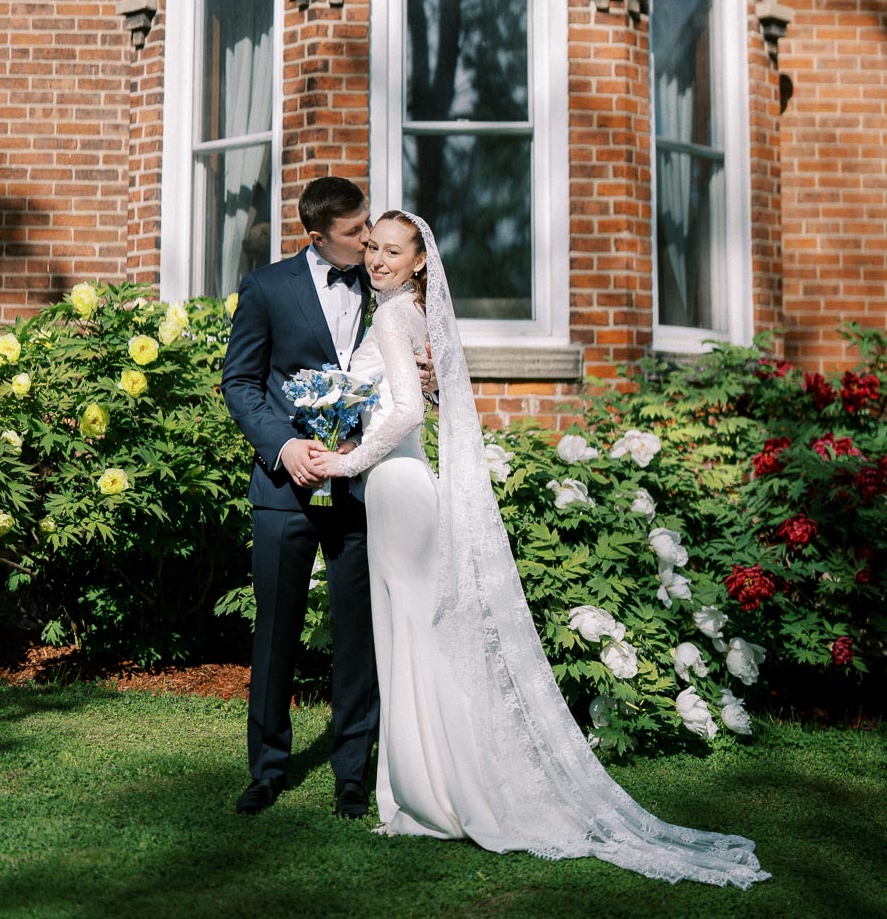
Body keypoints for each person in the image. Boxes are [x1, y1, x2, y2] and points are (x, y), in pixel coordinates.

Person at [308, 210, 771, 887]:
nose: (377, 258)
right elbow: (411, 399)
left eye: (392, 251)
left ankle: (433, 796)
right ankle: (429, 784)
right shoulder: (408, 314)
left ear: (419, 262)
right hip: (403, 485)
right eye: (372, 246)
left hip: (396, 488)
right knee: (416, 639)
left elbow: (405, 413)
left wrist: (342, 462)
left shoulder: (391, 318)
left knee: (411, 639)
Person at [221, 176, 379, 819]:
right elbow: (240, 382)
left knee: (358, 634)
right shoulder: (266, 288)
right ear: (317, 237)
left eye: (367, 223)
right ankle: (266, 771)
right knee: (276, 633)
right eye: (354, 231)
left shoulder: (386, 285)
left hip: (362, 486)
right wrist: (284, 447)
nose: (368, 239)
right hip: (285, 489)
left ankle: (352, 774)